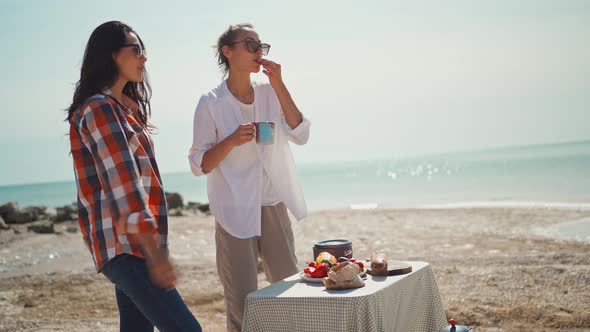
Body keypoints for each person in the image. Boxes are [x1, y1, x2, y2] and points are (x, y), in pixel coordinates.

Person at [66, 21, 202, 332]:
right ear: (112, 55)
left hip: (131, 246)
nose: (144, 58)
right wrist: (154, 253)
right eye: (136, 50)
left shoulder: (121, 109)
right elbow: (123, 185)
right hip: (126, 247)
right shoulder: (100, 109)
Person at [189, 23, 311, 331]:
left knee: (289, 291)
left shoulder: (270, 93)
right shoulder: (211, 103)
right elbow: (199, 163)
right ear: (228, 52)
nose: (259, 51)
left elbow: (301, 133)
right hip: (233, 209)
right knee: (242, 303)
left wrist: (279, 83)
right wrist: (230, 141)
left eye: (261, 46)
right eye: (250, 45)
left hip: (272, 202)